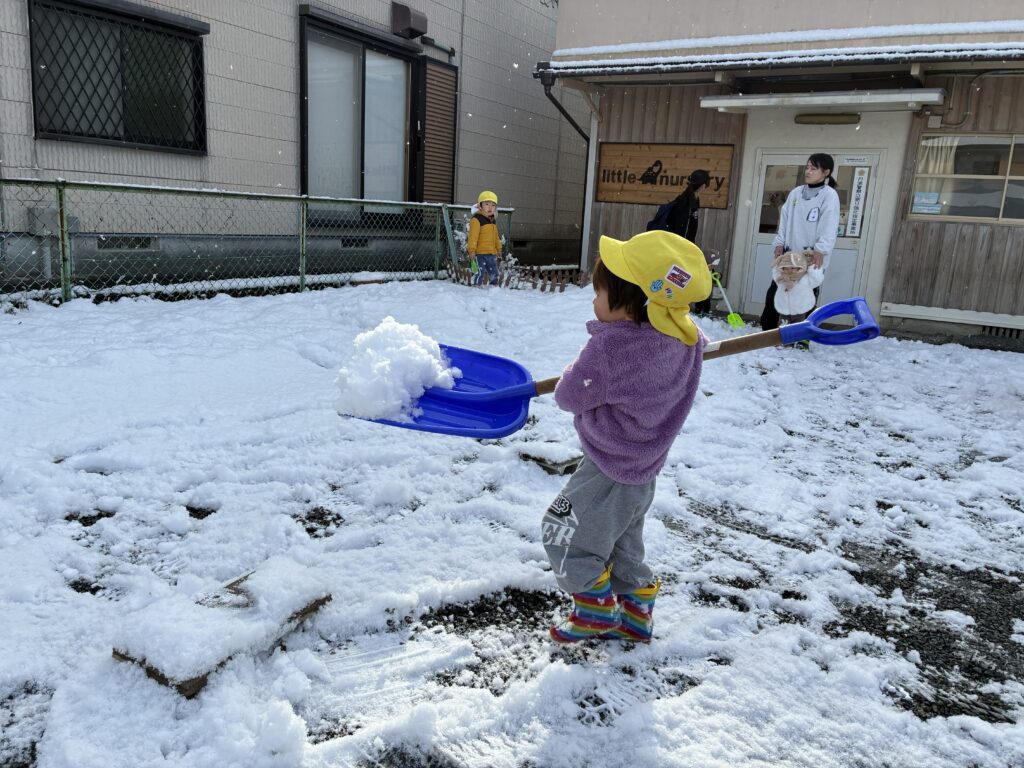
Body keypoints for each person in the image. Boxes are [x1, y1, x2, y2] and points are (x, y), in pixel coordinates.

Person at [542, 229, 710, 644]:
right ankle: (635, 615)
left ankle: (595, 612)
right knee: (622, 548)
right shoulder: (684, 336)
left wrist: (578, 368)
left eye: (599, 293)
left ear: (629, 302)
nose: (593, 301)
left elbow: (568, 396)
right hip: (643, 470)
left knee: (561, 531)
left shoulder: (611, 348)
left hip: (607, 468)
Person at [759, 153, 839, 331]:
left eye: (814, 168)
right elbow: (784, 221)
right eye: (808, 167)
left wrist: (820, 250)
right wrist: (779, 243)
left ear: (826, 172)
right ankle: (769, 329)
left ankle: (802, 335)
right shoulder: (796, 193)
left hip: (810, 256)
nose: (808, 172)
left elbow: (829, 226)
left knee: (806, 295)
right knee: (777, 289)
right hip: (789, 255)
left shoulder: (829, 196)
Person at [666, 169, 714, 315]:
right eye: (706, 184)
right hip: (680, 248)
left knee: (690, 276)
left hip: (686, 247)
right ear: (701, 185)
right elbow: (683, 231)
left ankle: (692, 307)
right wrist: (685, 252)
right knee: (677, 278)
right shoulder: (686, 203)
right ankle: (673, 305)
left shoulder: (693, 200)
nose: (706, 187)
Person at [772, 250, 824, 347]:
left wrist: (812, 266)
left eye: (793, 268)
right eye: (786, 268)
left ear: (800, 268)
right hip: (784, 310)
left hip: (800, 309)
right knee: (783, 327)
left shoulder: (805, 279)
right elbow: (775, 271)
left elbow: (816, 278)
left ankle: (801, 342)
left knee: (799, 327)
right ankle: (786, 343)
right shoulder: (781, 279)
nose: (790, 271)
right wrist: (777, 260)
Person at [467, 190, 502, 286]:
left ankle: (494, 288)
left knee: (494, 272)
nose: (490, 207)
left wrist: (498, 249)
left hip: (491, 253)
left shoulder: (492, 220)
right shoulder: (476, 219)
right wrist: (471, 250)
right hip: (479, 254)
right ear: (480, 206)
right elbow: (473, 236)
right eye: (487, 204)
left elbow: (496, 237)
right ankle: (476, 288)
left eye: (493, 205)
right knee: (480, 273)